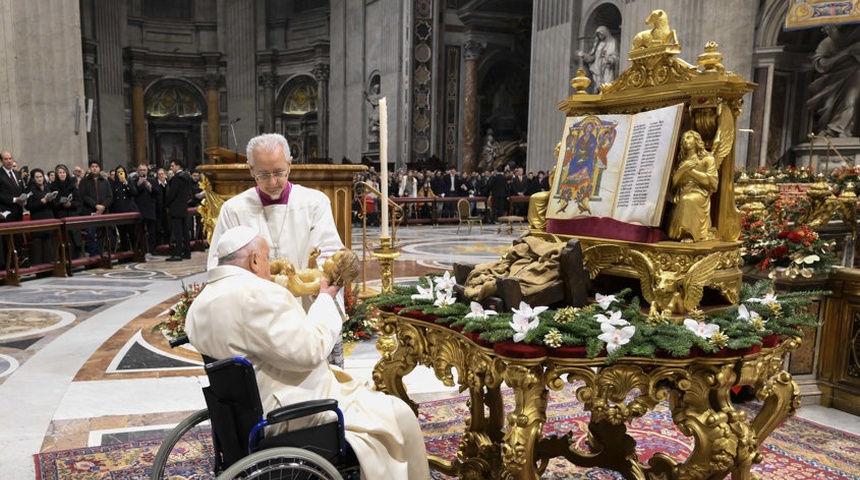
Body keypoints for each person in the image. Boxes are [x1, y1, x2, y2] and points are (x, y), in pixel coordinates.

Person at [186, 226, 430, 480]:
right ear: (254, 260)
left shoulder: (202, 301)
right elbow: (310, 351)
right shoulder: (257, 294)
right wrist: (326, 299)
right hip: (287, 409)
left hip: (240, 411)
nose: (270, 267)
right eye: (267, 258)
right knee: (398, 413)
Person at [207, 133, 347, 366]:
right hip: (257, 316)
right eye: (263, 174)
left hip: (306, 310)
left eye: (278, 172)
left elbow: (330, 253)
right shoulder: (234, 209)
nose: (272, 181)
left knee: (317, 375)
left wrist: (317, 285)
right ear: (250, 169)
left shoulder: (315, 202)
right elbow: (218, 266)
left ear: (290, 165)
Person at [805, 24, 860, 138]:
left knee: (850, 102)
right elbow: (820, 64)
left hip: (855, 78)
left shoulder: (855, 37)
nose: (823, 29)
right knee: (829, 106)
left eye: (827, 26)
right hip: (832, 82)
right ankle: (833, 130)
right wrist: (843, 54)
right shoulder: (827, 43)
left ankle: (839, 129)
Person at [667, 130, 718, 242]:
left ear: (697, 140)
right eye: (683, 138)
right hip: (681, 193)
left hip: (699, 193)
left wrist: (691, 171)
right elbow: (672, 185)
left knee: (688, 199)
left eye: (689, 137)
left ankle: (689, 234)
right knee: (681, 201)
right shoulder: (680, 161)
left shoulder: (707, 159)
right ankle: (678, 232)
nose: (685, 140)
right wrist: (681, 170)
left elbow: (712, 182)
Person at [78, 161, 113, 257]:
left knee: (102, 234)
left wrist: (103, 206)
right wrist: (95, 206)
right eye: (92, 166)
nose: (94, 168)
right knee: (91, 234)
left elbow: (109, 196)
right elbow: (83, 196)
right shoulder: (84, 181)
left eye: (96, 166)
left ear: (99, 168)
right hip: (90, 212)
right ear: (89, 168)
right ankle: (93, 255)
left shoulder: (105, 181)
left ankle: (100, 253)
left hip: (103, 212)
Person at [25, 168, 57, 265]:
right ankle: (39, 268)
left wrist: (51, 200)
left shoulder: (48, 188)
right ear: (33, 179)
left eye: (41, 177)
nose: (39, 179)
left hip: (49, 217)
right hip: (37, 219)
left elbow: (54, 206)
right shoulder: (30, 189)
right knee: (38, 245)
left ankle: (51, 265)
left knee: (50, 242)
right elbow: (28, 206)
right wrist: (41, 202)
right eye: (37, 177)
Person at [165, 160, 193, 261]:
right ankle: (187, 252)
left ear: (178, 166)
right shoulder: (186, 177)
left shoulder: (177, 178)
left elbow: (172, 194)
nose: (171, 167)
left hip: (175, 208)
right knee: (185, 232)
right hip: (184, 207)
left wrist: (166, 203)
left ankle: (177, 254)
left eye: (172, 166)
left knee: (178, 233)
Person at [578, 26, 619, 90]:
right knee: (598, 87)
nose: (600, 36)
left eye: (601, 34)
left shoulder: (613, 42)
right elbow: (592, 57)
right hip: (597, 68)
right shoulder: (598, 43)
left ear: (605, 33)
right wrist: (584, 55)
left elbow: (615, 56)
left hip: (607, 67)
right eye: (598, 35)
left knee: (607, 85)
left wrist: (609, 59)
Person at [110, 166, 140, 252]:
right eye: (118, 172)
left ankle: (135, 251)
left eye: (122, 172)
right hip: (119, 211)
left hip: (129, 210)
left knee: (132, 233)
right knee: (122, 234)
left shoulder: (129, 182)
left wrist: (126, 183)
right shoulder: (113, 184)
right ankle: (125, 253)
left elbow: (134, 192)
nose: (120, 174)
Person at [133, 164, 159, 255]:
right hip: (139, 208)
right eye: (140, 170)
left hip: (150, 208)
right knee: (139, 231)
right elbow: (133, 193)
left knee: (152, 230)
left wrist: (150, 186)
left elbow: (157, 192)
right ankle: (142, 249)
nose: (142, 171)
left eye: (144, 170)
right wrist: (138, 185)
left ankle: (152, 248)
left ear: (147, 171)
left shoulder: (152, 180)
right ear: (138, 171)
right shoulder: (134, 181)